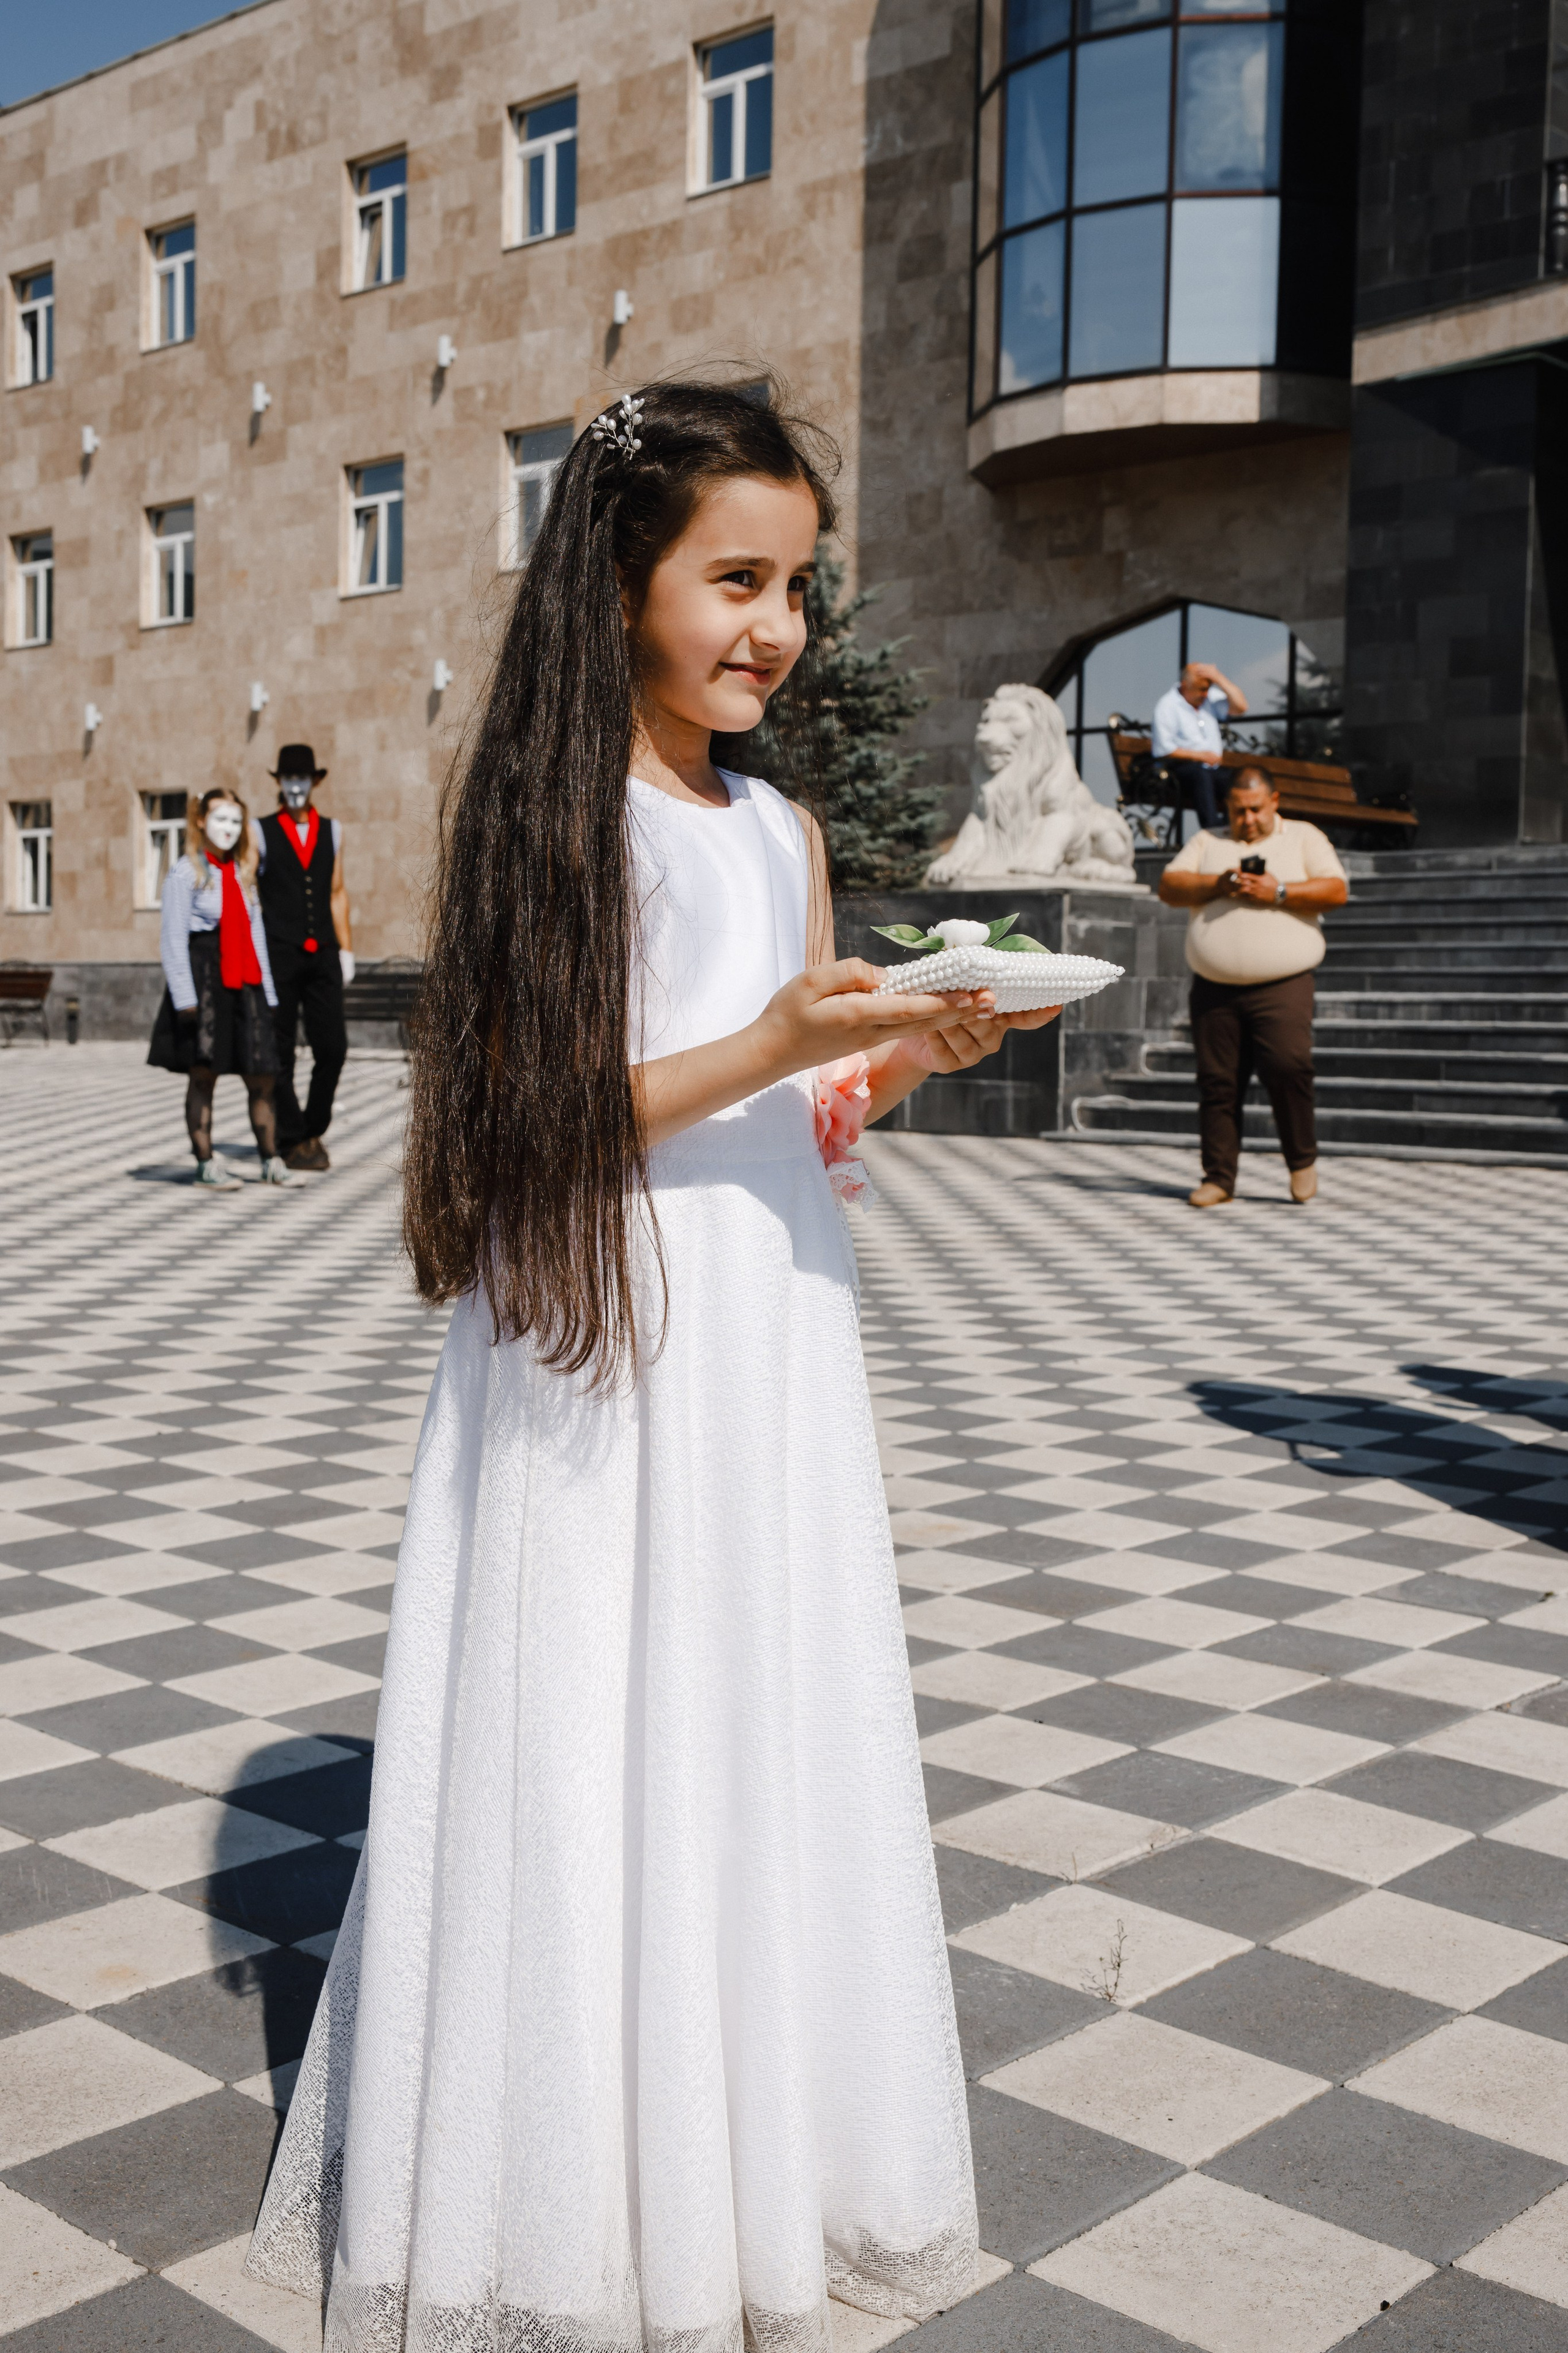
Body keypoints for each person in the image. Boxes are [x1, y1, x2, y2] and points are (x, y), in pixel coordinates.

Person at [247, 381, 1062, 2346]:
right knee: (592, 1717)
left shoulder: (779, 822)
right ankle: (583, 2173)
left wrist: (890, 1060)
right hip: (603, 1330)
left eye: (797, 583)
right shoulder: (555, 813)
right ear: (622, 580)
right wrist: (789, 1048)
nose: (774, 623)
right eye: (734, 577)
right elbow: (539, 1122)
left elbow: (798, 1091)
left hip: (767, 1322)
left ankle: (744, 2145)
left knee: (742, 1708)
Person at [1159, 763, 1348, 1207]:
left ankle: (1301, 1162)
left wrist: (1279, 892)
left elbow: (1336, 890)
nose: (1247, 819)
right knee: (1217, 1082)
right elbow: (1169, 885)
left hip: (1282, 985)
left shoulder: (1303, 836)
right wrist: (1218, 883)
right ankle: (1219, 1177)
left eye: (1256, 809)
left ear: (1274, 802)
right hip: (1214, 986)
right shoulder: (1209, 841)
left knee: (1289, 1066)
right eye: (1239, 810)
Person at [147, 787, 307, 1190]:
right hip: (205, 984)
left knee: (263, 1075)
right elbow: (172, 940)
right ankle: (205, 1162)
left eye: (236, 821)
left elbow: (257, 939)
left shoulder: (243, 873)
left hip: (246, 984)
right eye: (220, 819)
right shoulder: (186, 872)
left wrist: (269, 995)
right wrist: (185, 999)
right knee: (205, 1074)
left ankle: (270, 1158)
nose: (229, 829)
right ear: (201, 821)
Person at [253, 743, 355, 1173]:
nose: (296, 786)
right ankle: (293, 1137)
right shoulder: (259, 831)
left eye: (303, 778)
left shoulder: (333, 830)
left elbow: (336, 892)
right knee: (280, 1051)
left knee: (332, 1047)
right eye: (289, 778)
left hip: (324, 954)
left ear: (315, 782)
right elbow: (248, 894)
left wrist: (347, 948)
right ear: (278, 782)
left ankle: (313, 1127)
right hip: (278, 955)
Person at [1151, 658, 1251, 829]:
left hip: (1211, 770)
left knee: (1236, 779)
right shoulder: (1167, 706)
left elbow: (1241, 707)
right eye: (1201, 689)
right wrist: (1199, 756)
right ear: (1185, 686)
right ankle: (1212, 829)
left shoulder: (1209, 699)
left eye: (1208, 689)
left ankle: (1232, 827)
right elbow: (1163, 749)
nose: (1205, 694)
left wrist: (1219, 678)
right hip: (1179, 771)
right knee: (1200, 775)